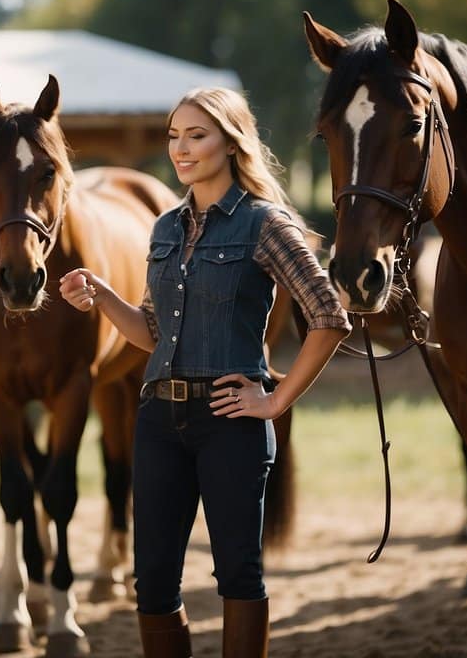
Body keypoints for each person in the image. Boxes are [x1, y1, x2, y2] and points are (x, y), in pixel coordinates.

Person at [59, 88, 350, 658]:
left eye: (197, 135)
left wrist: (275, 400)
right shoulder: (166, 227)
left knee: (238, 575)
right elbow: (150, 332)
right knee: (153, 584)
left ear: (231, 141)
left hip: (230, 421)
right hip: (159, 419)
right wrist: (101, 295)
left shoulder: (266, 224)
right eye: (174, 136)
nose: (181, 149)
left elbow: (328, 316)